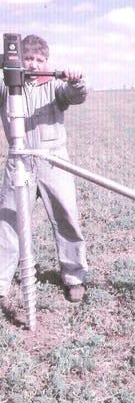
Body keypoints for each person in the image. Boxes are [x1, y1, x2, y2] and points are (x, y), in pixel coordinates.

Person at [0, 34, 88, 304]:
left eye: (39, 59)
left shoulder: (54, 86)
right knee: (8, 223)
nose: (34, 64)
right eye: (28, 58)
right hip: (19, 161)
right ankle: (2, 282)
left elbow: (76, 95)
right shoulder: (7, 86)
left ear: (46, 61)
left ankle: (74, 277)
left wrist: (76, 79)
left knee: (66, 217)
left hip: (54, 161)